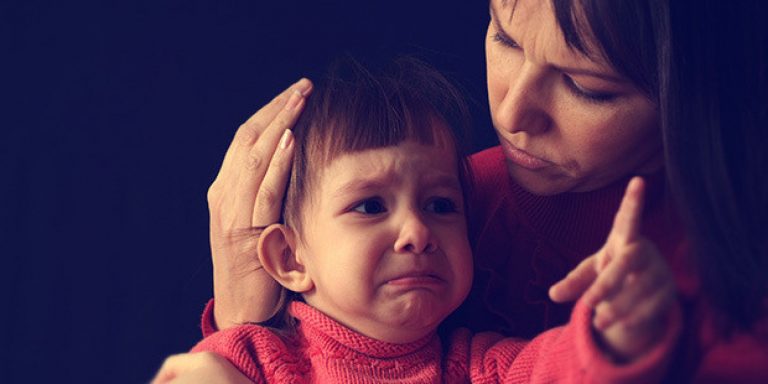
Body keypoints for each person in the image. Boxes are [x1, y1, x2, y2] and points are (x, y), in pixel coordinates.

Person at [158, 0, 768, 381]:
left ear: (695, 103)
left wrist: (611, 333)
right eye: (505, 36)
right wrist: (240, 324)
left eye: (588, 87)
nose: (513, 110)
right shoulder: (467, 191)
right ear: (289, 256)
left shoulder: (471, 360)